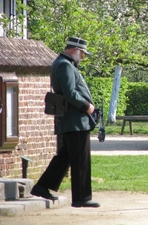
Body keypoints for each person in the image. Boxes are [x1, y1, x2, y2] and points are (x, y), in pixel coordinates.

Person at [31, 37, 99, 208]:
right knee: (80, 159)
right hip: (75, 120)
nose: (82, 57)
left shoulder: (63, 63)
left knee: (65, 156)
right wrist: (87, 107)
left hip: (73, 119)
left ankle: (42, 186)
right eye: (82, 53)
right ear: (75, 49)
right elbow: (70, 92)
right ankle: (81, 198)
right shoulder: (64, 65)